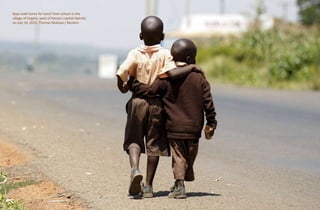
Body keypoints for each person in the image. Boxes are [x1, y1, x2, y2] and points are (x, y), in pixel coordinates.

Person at [128, 38, 217, 199]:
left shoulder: (166, 78)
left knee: (178, 156)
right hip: (194, 127)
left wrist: (134, 84)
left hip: (174, 126)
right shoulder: (200, 78)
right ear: (190, 59)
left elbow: (150, 91)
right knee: (190, 152)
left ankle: (180, 184)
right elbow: (208, 102)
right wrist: (211, 121)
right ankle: (188, 168)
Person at [116, 16, 194, 198]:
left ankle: (135, 169)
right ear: (163, 35)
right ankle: (149, 187)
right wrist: (192, 68)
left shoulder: (134, 53)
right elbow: (171, 74)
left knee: (133, 139)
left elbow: (121, 74)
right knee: (154, 144)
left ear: (140, 35)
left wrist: (123, 87)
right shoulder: (166, 54)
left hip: (137, 102)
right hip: (157, 105)